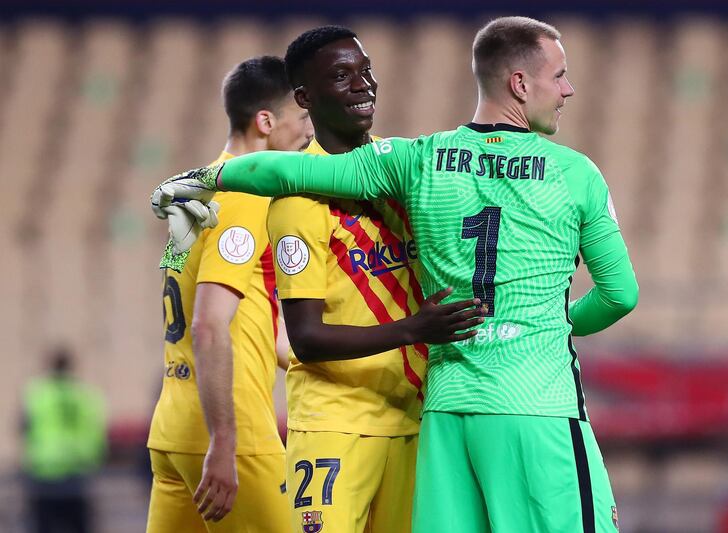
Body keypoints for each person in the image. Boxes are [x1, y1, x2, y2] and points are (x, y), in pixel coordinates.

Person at [152, 16, 639, 533]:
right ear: (520, 84)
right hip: (524, 403)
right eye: (560, 75)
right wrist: (550, 322)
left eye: (367, 69)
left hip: (439, 413)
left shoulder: (412, 161)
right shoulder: (573, 172)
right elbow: (621, 295)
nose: (569, 89)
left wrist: (199, 178)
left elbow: (286, 170)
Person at [269, 26, 482, 533]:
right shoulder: (298, 198)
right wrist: (414, 329)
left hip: (416, 420)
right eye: (342, 76)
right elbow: (306, 337)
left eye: (366, 71)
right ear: (305, 97)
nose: (364, 85)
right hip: (336, 425)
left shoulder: (406, 171)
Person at [146, 55, 313, 533]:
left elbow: (257, 324)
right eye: (301, 116)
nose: (308, 131)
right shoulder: (243, 197)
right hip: (230, 434)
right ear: (266, 121)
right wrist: (224, 441)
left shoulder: (195, 193)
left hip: (174, 429)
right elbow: (209, 323)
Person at [21, 346, 107, 533]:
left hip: (45, 469)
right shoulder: (85, 394)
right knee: (78, 526)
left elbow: (24, 427)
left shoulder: (37, 394)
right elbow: (96, 431)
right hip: (77, 470)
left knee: (43, 526)